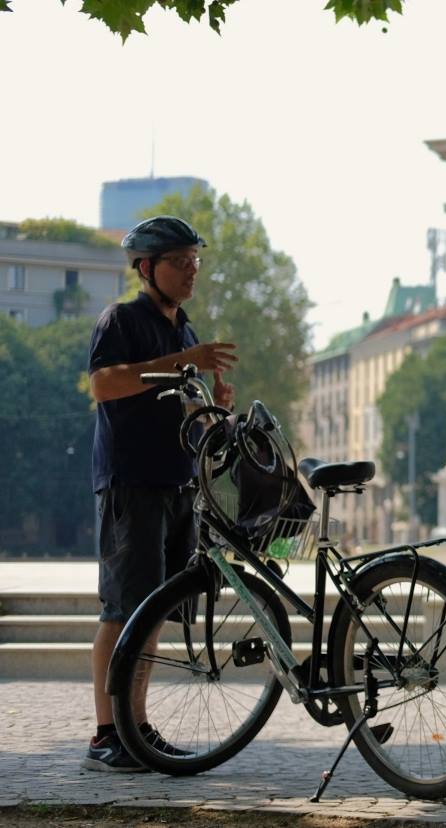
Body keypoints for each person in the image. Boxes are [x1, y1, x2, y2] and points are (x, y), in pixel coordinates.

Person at [84, 216, 238, 772]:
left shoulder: (187, 333)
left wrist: (214, 407)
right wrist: (179, 365)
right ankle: (106, 734)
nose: (191, 270)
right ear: (147, 268)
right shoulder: (122, 319)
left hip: (178, 486)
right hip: (131, 483)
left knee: (151, 615)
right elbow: (104, 384)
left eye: (195, 261)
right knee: (122, 611)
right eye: (179, 262)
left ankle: (137, 728)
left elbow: (190, 413)